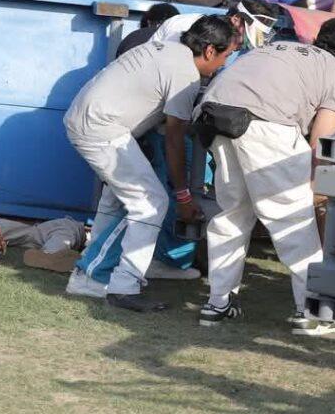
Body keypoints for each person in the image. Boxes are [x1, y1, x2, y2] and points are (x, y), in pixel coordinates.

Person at [195, 18, 335, 335]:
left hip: (215, 116)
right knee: (293, 221)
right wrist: (314, 190)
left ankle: (218, 303)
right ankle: (315, 311)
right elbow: (322, 143)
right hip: (264, 124)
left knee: (232, 217)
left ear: (316, 38)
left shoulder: (278, 49)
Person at [62, 16, 238, 311]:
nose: (223, 65)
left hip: (92, 120)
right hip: (101, 127)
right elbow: (174, 139)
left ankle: (90, 275)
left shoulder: (168, 48)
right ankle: (115, 282)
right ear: (209, 51)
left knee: (116, 202)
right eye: (225, 56)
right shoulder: (186, 74)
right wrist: (182, 196)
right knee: (151, 204)